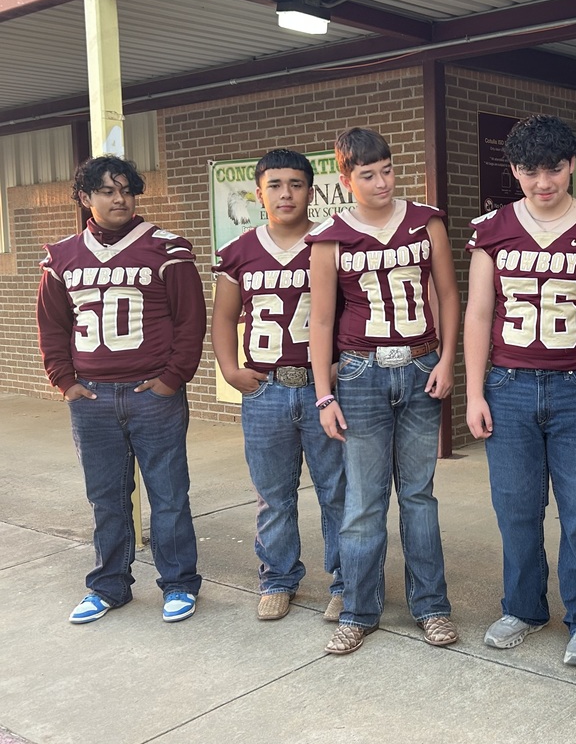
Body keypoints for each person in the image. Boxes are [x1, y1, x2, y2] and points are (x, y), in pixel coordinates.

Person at [464, 114, 576, 668]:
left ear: (572, 165)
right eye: (531, 170)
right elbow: (479, 313)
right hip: (509, 384)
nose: (544, 182)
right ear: (514, 169)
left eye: (555, 169)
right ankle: (523, 607)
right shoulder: (492, 229)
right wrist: (474, 392)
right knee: (515, 507)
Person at [307, 127, 460, 655]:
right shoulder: (329, 237)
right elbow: (320, 320)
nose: (381, 182)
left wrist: (447, 359)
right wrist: (324, 395)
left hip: (420, 364)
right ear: (345, 180)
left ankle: (431, 606)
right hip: (360, 372)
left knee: (419, 495)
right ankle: (358, 609)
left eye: (388, 170)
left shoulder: (426, 221)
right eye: (368, 175)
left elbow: (447, 293)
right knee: (363, 500)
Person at [36, 155, 205, 624]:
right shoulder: (63, 256)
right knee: (106, 497)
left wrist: (172, 379)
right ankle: (109, 586)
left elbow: (190, 321)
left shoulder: (166, 248)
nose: (120, 199)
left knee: (169, 494)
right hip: (91, 397)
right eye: (108, 191)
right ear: (85, 198)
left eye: (127, 190)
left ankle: (179, 583)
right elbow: (52, 326)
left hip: (153, 394)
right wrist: (65, 382)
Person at [212, 149, 346, 622]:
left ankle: (346, 580)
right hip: (265, 389)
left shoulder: (333, 242)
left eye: (295, 184)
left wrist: (338, 369)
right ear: (258, 193)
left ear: (311, 190)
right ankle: (278, 578)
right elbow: (224, 317)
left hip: (322, 387)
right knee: (273, 494)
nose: (285, 194)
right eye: (274, 185)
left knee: (337, 491)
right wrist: (230, 370)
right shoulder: (239, 250)